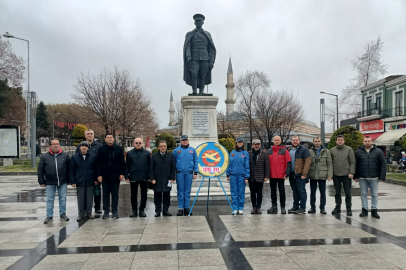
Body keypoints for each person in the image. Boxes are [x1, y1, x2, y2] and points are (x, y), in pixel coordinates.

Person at [38, 138, 71, 224]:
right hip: (50, 181)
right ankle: (49, 215)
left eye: (57, 143)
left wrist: (70, 180)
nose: (56, 145)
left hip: (63, 181)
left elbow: (70, 169)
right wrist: (41, 181)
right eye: (54, 144)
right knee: (49, 199)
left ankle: (62, 214)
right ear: (50, 145)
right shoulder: (45, 156)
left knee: (63, 198)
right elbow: (40, 169)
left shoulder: (65, 156)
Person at [354, 136, 386, 219]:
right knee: (363, 194)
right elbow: (355, 165)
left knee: (374, 194)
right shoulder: (358, 152)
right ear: (363, 142)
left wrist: (382, 176)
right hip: (362, 177)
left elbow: (382, 164)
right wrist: (355, 176)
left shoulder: (378, 152)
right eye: (365, 141)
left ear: (372, 141)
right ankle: (364, 210)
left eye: (369, 141)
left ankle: (374, 210)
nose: (367, 142)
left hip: (374, 177)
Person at [97, 133, 125, 219]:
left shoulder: (119, 149)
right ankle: (106, 211)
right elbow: (98, 163)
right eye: (108, 137)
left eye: (111, 137)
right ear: (105, 139)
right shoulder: (101, 149)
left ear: (113, 139)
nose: (109, 139)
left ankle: (115, 211)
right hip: (105, 176)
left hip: (115, 176)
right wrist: (99, 175)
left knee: (115, 194)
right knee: (105, 194)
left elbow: (122, 163)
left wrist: (122, 173)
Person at [76, 129, 103, 214]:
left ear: (94, 135)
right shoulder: (80, 146)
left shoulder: (99, 146)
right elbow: (77, 158)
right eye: (88, 134)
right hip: (84, 173)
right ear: (85, 136)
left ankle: (97, 207)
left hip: (96, 172)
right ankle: (84, 209)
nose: (89, 135)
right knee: (85, 193)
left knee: (97, 191)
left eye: (91, 134)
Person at [70, 141, 98, 221]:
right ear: (80, 148)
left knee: (89, 198)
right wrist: (73, 181)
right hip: (79, 181)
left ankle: (89, 212)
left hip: (90, 180)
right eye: (82, 146)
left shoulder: (93, 156)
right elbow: (72, 170)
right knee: (80, 198)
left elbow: (95, 169)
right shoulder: (75, 157)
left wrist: (96, 179)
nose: (84, 147)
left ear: (88, 148)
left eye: (86, 146)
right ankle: (81, 213)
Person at [330, 135, 356, 216]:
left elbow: (352, 162)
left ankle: (349, 208)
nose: (340, 141)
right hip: (336, 175)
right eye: (338, 140)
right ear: (336, 141)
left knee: (348, 193)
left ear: (344, 141)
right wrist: (330, 174)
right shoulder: (332, 150)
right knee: (337, 192)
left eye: (341, 140)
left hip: (346, 175)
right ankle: (338, 207)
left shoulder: (349, 149)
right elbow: (330, 163)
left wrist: (351, 172)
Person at [173, 135, 198, 216]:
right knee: (180, 191)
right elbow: (173, 163)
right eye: (183, 140)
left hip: (189, 173)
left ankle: (186, 208)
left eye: (186, 140)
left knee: (187, 191)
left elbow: (195, 161)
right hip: (179, 173)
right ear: (180, 141)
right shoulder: (176, 150)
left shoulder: (192, 150)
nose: (185, 141)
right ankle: (180, 208)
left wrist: (195, 172)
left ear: (188, 140)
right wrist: (173, 173)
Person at [125, 138, 151, 218]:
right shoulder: (129, 153)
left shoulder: (147, 153)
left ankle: (142, 210)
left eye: (140, 143)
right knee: (133, 194)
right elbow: (127, 166)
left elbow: (150, 166)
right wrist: (126, 176)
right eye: (137, 143)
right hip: (133, 176)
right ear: (134, 144)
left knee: (144, 194)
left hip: (144, 176)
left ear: (142, 144)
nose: (138, 144)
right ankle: (134, 210)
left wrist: (150, 176)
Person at [150, 140, 176, 217]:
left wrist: (172, 178)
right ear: (158, 147)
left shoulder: (171, 155)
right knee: (157, 196)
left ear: (166, 147)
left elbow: (173, 168)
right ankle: (157, 211)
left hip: (167, 179)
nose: (163, 147)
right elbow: (151, 168)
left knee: (166, 196)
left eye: (164, 146)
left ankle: (165, 210)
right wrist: (152, 178)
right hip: (157, 179)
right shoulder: (154, 155)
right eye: (161, 146)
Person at [308, 137, 333, 214]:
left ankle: (322, 208)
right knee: (312, 192)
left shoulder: (327, 151)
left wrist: (329, 175)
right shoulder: (309, 151)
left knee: (323, 192)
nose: (317, 142)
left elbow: (329, 163)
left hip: (323, 175)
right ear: (313, 142)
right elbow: (307, 164)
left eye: (319, 141)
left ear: (321, 142)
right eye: (316, 141)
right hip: (313, 175)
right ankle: (312, 207)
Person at [267, 136, 291, 215]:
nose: (277, 141)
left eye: (278, 140)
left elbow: (288, 162)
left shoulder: (285, 151)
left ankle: (283, 207)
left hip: (281, 175)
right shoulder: (269, 151)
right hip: (272, 175)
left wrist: (286, 173)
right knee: (273, 192)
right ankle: (274, 206)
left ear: (280, 141)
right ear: (273, 141)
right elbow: (266, 164)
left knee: (282, 192)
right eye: (275, 140)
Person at [287, 136, 311, 215]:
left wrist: (304, 174)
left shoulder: (304, 150)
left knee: (302, 191)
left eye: (296, 140)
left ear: (299, 141)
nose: (295, 141)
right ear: (291, 141)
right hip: (291, 174)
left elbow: (308, 162)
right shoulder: (289, 150)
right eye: (293, 140)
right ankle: (295, 206)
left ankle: (302, 208)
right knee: (295, 191)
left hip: (300, 174)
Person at [226, 137, 250, 215]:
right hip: (233, 175)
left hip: (242, 176)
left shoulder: (245, 153)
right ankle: (235, 208)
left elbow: (247, 165)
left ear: (243, 143)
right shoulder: (232, 153)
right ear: (236, 143)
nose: (239, 143)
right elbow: (229, 164)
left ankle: (240, 208)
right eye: (238, 142)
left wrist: (247, 176)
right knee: (234, 192)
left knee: (241, 192)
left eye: (241, 142)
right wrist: (227, 174)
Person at [248, 139, 269, 214]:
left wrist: (266, 176)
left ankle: (258, 207)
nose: (256, 145)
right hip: (251, 177)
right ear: (252, 145)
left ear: (260, 145)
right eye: (255, 144)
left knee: (259, 193)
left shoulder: (264, 153)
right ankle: (254, 207)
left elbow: (266, 165)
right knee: (252, 193)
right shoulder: (249, 153)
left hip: (260, 177)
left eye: (258, 144)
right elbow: (247, 166)